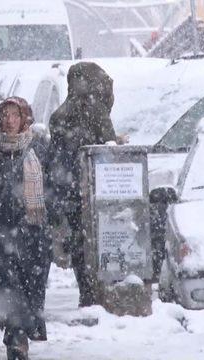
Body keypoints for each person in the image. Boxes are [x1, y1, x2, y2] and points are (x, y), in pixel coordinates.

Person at [0, 97, 53, 360]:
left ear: (24, 119)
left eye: (14, 115)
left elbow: (54, 187)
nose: (9, 120)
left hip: (32, 234)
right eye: (5, 114)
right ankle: (15, 337)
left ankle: (21, 333)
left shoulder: (38, 149)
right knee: (5, 286)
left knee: (30, 288)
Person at [48, 62, 126, 307]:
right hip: (94, 188)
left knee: (79, 242)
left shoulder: (61, 113)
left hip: (68, 187)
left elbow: (57, 152)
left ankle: (86, 290)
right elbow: (107, 146)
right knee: (101, 238)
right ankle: (98, 289)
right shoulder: (96, 111)